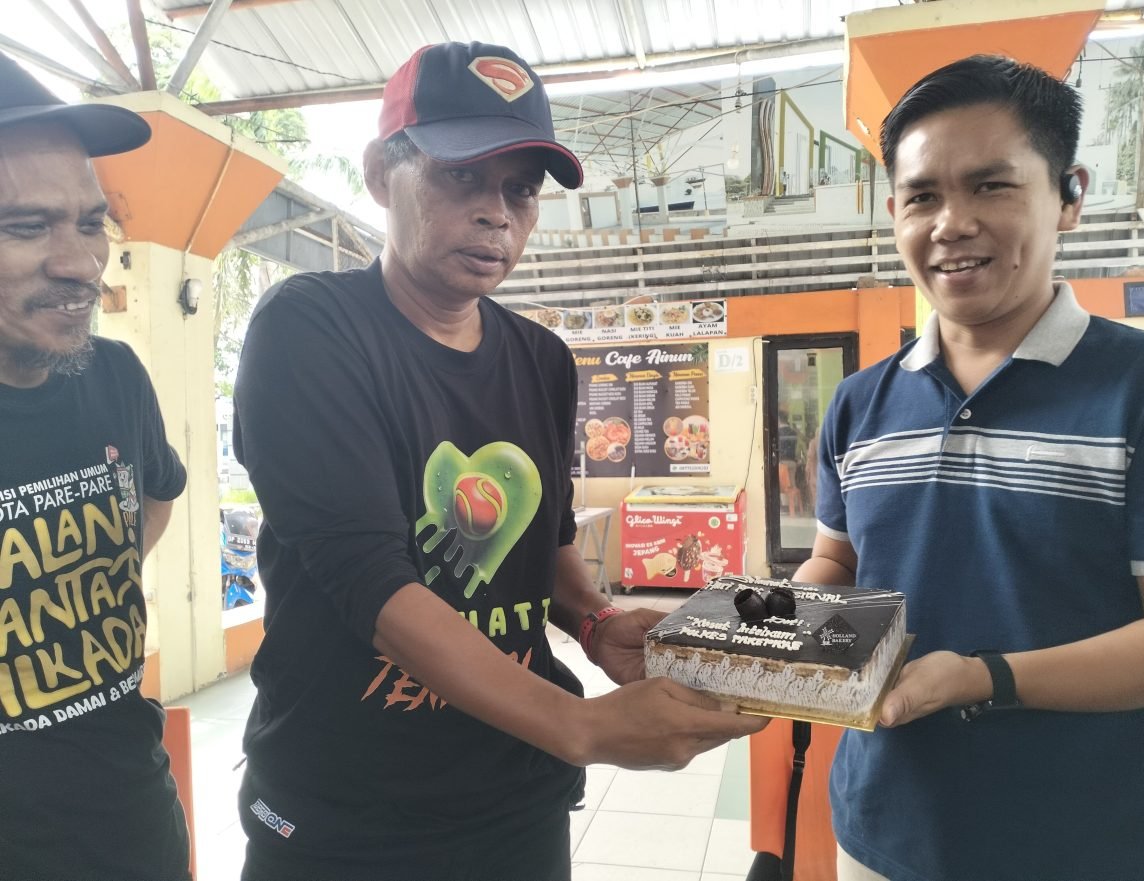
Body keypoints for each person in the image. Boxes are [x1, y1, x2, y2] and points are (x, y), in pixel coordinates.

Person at [232, 41, 765, 881]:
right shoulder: (310, 330)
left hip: (515, 798)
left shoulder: (542, 359)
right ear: (381, 173)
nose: (497, 214)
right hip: (345, 811)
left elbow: (544, 546)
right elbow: (371, 583)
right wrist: (582, 725)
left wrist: (595, 623)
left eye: (521, 189)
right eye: (461, 176)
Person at [797, 55, 1144, 881]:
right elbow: (838, 563)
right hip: (881, 830)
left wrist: (980, 677)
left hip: (1088, 843)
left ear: (1068, 196)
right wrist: (767, 629)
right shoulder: (859, 403)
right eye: (923, 196)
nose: (951, 223)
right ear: (894, 214)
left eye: (991, 186)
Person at [0, 53, 190, 880]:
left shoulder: (115, 376)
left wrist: (60, 584)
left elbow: (156, 496)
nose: (80, 262)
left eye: (89, 222)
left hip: (135, 825)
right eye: (26, 226)